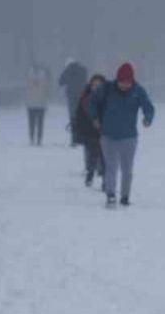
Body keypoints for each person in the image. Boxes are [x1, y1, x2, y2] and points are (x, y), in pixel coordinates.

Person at [87, 62, 154, 207]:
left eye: (128, 82)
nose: (125, 85)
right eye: (122, 82)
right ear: (117, 80)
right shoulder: (106, 89)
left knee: (127, 169)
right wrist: (94, 118)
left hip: (129, 138)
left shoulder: (138, 91)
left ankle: (125, 196)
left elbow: (148, 107)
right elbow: (91, 102)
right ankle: (110, 194)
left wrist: (148, 118)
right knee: (111, 167)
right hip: (108, 136)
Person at [75, 73, 107, 187]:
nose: (96, 87)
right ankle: (90, 174)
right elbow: (79, 115)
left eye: (99, 85)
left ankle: (105, 179)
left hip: (104, 132)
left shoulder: (108, 99)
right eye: (94, 85)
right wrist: (79, 130)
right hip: (90, 132)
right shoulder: (85, 98)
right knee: (92, 155)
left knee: (104, 156)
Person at [58, 58, 88, 146]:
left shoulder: (68, 70)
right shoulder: (83, 69)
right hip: (82, 96)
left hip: (71, 97)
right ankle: (82, 139)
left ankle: (74, 140)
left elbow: (60, 82)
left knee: (73, 118)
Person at [25, 63, 52, 146]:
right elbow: (47, 91)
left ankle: (31, 138)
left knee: (31, 123)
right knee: (40, 123)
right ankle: (39, 140)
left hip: (31, 104)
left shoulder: (28, 77)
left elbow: (26, 90)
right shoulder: (44, 78)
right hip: (41, 104)